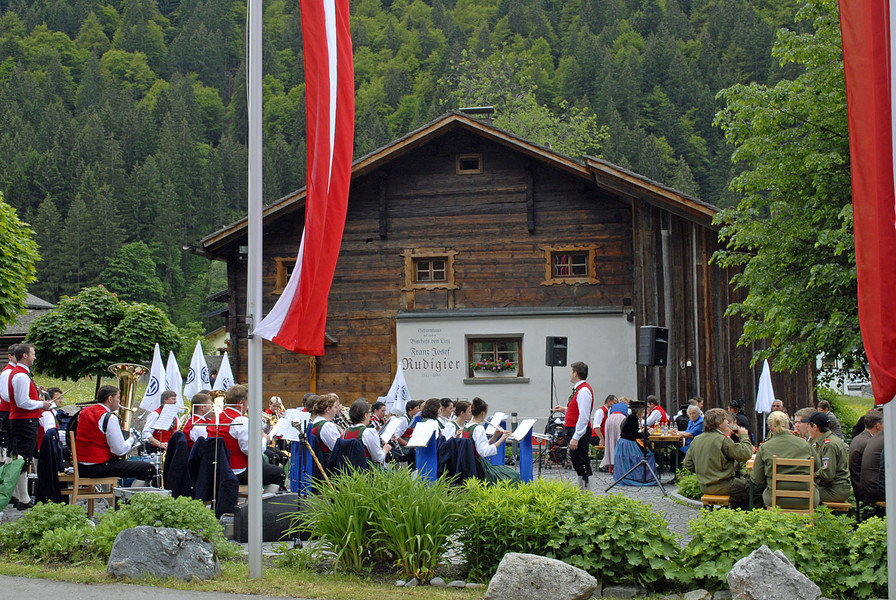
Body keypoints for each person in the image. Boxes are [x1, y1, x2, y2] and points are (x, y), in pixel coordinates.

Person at [206, 384, 285, 489]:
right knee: (279, 473)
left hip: (218, 469)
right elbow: (252, 452)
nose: (248, 405)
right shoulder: (240, 421)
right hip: (237, 471)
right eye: (248, 402)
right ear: (241, 403)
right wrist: (264, 439)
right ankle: (264, 503)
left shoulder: (216, 419)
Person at [75, 385, 156, 483]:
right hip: (98, 467)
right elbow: (119, 450)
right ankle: (130, 498)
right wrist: (131, 440)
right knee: (148, 469)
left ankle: (108, 496)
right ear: (110, 399)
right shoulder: (109, 417)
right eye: (118, 398)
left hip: (81, 466)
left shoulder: (83, 412)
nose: (119, 401)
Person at [8, 344, 55, 509]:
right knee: (23, 459)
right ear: (25, 356)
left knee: (23, 459)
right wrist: (42, 404)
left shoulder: (22, 374)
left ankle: (23, 497)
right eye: (33, 354)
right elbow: (22, 402)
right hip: (24, 421)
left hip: (25, 420)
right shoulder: (20, 375)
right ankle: (24, 498)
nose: (35, 357)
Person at [681, 408, 754, 509]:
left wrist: (705, 471)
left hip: (705, 486)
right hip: (724, 485)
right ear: (719, 423)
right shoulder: (722, 439)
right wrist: (744, 437)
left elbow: (688, 464)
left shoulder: (697, 440)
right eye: (725, 420)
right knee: (753, 487)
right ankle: (744, 517)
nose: (728, 422)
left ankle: (735, 514)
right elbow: (745, 454)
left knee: (743, 483)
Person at [750, 410, 819, 510]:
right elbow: (817, 467)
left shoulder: (765, 447)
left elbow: (757, 479)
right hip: (806, 499)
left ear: (770, 428)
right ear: (788, 425)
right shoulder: (804, 444)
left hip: (776, 500)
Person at [552, 361, 594, 490]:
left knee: (582, 461)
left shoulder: (584, 391)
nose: (570, 374)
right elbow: (577, 410)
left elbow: (584, 416)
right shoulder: (579, 390)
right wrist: (565, 409)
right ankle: (583, 489)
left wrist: (576, 436)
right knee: (577, 462)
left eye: (571, 371)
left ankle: (586, 491)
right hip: (574, 428)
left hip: (578, 430)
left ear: (576, 373)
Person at [462, 397, 519, 484]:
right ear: (483, 414)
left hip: (470, 463)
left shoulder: (466, 427)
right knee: (513, 476)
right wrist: (502, 439)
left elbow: (478, 446)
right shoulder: (478, 428)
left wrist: (495, 437)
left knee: (505, 471)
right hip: (479, 467)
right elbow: (484, 452)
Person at [806, 411, 850, 503]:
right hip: (834, 487)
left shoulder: (829, 445)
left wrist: (809, 476)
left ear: (815, 427)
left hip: (835, 489)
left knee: (803, 493)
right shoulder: (827, 441)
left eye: (808, 426)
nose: (807, 429)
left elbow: (827, 474)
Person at [341, 398, 391, 465]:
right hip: (367, 470)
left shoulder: (346, 432)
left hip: (351, 469)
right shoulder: (368, 432)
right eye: (369, 413)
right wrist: (385, 450)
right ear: (365, 415)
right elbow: (378, 458)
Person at [613, 411, 657, 486]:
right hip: (628, 444)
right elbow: (634, 435)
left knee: (647, 451)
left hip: (623, 443)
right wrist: (645, 434)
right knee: (649, 455)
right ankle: (644, 478)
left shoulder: (629, 417)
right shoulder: (633, 419)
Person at [849, 409, 880, 501]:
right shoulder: (870, 443)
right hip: (866, 490)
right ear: (878, 426)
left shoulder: (858, 438)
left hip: (858, 486)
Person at [859, 413, 885, 503]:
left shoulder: (876, 437)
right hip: (876, 490)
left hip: (867, 487)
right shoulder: (887, 438)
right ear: (878, 426)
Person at [600, 398, 629, 473]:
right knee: (620, 440)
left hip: (609, 420)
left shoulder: (612, 408)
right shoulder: (627, 407)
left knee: (610, 441)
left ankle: (611, 465)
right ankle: (620, 465)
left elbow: (609, 414)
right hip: (621, 419)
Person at [0, 344, 17, 454]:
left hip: (11, 411)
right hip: (6, 412)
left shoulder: (16, 371)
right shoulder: (7, 372)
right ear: (10, 356)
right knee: (9, 442)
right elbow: (5, 395)